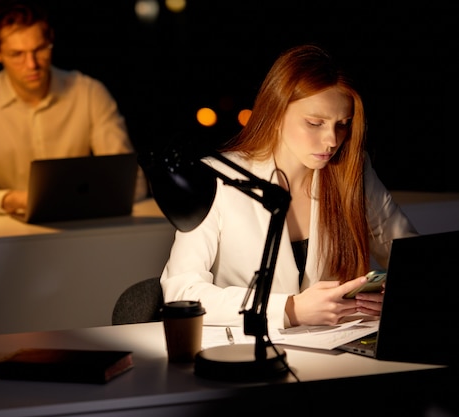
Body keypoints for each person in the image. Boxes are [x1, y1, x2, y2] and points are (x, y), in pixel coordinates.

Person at [159, 44, 418, 329]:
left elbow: (409, 258)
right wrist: (289, 309)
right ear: (276, 114)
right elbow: (181, 292)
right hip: (247, 356)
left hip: (335, 353)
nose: (332, 140)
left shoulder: (353, 171)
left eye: (342, 124)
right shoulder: (218, 178)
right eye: (315, 123)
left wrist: (390, 294)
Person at [0, 0, 147, 214]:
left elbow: (132, 180)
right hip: (5, 237)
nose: (32, 64)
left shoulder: (89, 93)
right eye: (17, 54)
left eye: (39, 49)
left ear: (51, 40)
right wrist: (14, 200)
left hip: (83, 229)